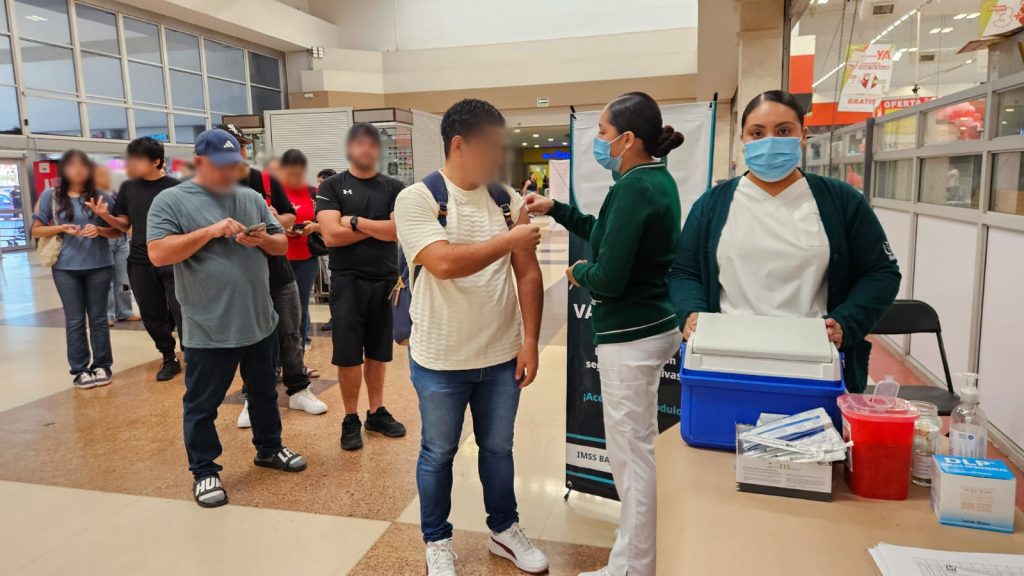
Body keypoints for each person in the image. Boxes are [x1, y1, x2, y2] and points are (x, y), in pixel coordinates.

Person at [525, 92, 684, 576]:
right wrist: (557, 208)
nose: (598, 141)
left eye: (602, 132)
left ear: (628, 139)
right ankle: (638, 558)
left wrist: (578, 273)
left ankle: (632, 567)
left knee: (631, 459)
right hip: (650, 327)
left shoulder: (635, 187)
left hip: (631, 335)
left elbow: (609, 277)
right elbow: (605, 232)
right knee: (637, 452)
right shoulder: (651, 179)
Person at [394, 99, 548, 576]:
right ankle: (437, 540)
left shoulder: (504, 198)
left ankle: (504, 529)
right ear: (460, 145)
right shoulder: (417, 199)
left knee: (498, 448)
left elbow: (528, 273)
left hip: (500, 355)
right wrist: (509, 239)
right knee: (437, 452)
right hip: (440, 359)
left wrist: (530, 341)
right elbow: (443, 263)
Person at [670, 90, 901, 393]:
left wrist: (846, 323)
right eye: (757, 133)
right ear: (743, 139)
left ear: (803, 135)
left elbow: (881, 273)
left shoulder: (840, 201)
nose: (769, 141)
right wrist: (691, 314)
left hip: (813, 359)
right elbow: (684, 272)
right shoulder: (713, 204)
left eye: (783, 131)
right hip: (726, 356)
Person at [147, 128, 308, 508]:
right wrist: (209, 231)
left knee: (264, 392)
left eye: (234, 163)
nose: (228, 170)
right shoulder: (171, 201)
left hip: (258, 318)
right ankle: (204, 469)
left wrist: (263, 240)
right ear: (199, 162)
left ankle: (269, 448)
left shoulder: (249, 197)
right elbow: (158, 253)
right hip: (209, 324)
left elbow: (280, 243)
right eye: (220, 164)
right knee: (203, 402)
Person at [219, 124, 327, 423]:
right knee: (251, 339)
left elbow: (288, 214)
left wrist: (274, 219)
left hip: (278, 270)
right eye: (233, 146)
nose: (240, 151)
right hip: (240, 275)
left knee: (290, 332)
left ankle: (299, 389)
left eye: (242, 145)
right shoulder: (208, 188)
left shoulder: (264, 179)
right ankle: (253, 397)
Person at [316, 122, 407, 451]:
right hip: (348, 281)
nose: (366, 149)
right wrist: (378, 228)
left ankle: (376, 412)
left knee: (379, 352)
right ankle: (351, 416)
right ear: (349, 148)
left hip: (385, 280)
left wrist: (354, 221)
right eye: (359, 143)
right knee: (349, 354)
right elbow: (330, 235)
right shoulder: (332, 186)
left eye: (372, 144)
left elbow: (397, 231)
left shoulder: (394, 187)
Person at [91, 137, 183, 382]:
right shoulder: (129, 188)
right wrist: (105, 217)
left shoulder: (177, 188)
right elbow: (124, 224)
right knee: (151, 313)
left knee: (182, 309)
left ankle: (193, 354)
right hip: (141, 260)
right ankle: (168, 357)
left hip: (173, 259)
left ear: (156, 161)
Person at [31, 150, 122, 389]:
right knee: (74, 320)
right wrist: (60, 228)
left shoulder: (101, 196)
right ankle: (80, 369)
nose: (78, 170)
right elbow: (36, 229)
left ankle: (102, 365)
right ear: (64, 170)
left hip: (99, 265)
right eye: (72, 166)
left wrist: (100, 229)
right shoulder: (51, 196)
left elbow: (118, 230)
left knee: (99, 318)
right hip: (65, 267)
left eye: (82, 165)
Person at [277, 149, 320, 353]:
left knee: (300, 308)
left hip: (305, 257)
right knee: (278, 309)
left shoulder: (313, 192)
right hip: (279, 257)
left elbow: (324, 218)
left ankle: (298, 357)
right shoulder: (275, 191)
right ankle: (277, 360)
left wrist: (313, 226)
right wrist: (282, 227)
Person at [95, 164, 139, 327]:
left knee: (123, 279)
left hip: (122, 239)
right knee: (105, 280)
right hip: (103, 238)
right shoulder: (93, 195)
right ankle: (106, 314)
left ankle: (125, 311)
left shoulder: (121, 192)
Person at [316, 168, 338, 333]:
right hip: (323, 247)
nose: (318, 186)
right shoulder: (321, 198)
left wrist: (315, 227)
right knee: (331, 284)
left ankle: (337, 318)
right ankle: (335, 317)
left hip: (336, 249)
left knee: (335, 284)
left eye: (321, 182)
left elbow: (332, 226)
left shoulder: (337, 199)